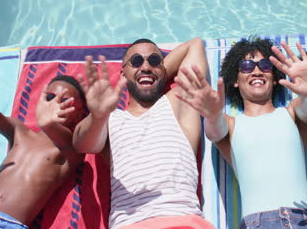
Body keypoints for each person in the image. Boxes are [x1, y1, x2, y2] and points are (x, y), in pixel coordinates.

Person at [174, 37, 307, 229]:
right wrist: (211, 114)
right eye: (246, 66)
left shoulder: (292, 113)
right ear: (235, 80)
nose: (256, 71)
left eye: (264, 65)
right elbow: (214, 132)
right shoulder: (230, 124)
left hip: (305, 220)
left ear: (274, 76)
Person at [72, 38, 216, 229]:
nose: (146, 66)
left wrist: (154, 71)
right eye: (136, 61)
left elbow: (195, 45)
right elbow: (81, 144)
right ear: (122, 73)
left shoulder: (179, 103)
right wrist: (97, 117)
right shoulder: (108, 118)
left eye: (155, 60)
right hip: (131, 224)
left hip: (182, 220)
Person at [0, 75, 88, 228]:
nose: (55, 104)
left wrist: (46, 121)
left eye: (64, 101)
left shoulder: (70, 148)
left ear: (78, 113)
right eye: (50, 97)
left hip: (8, 224)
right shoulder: (19, 131)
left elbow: (50, 126)